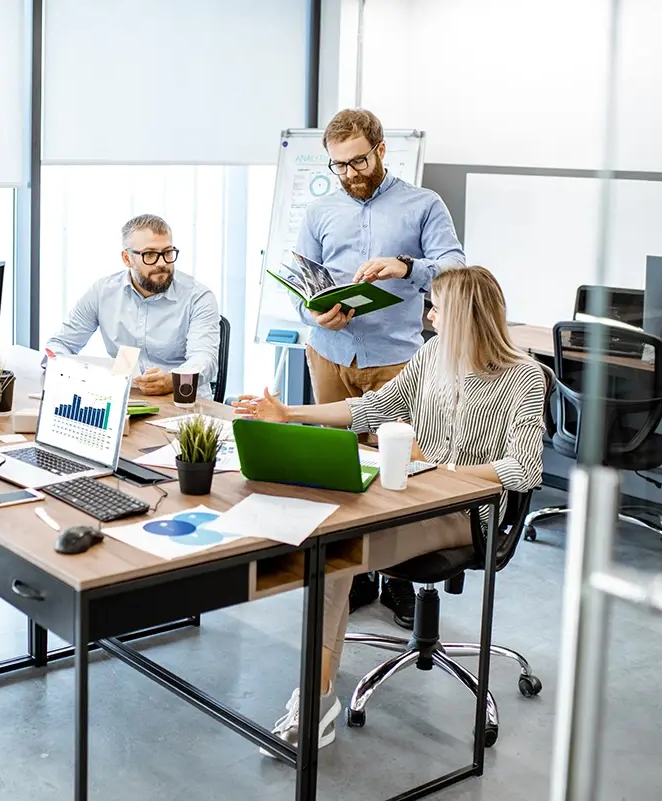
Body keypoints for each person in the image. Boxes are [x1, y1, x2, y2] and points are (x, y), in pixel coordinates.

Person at [234, 266, 546, 752]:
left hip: (466, 513)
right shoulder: (432, 354)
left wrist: (440, 463)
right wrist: (290, 413)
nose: (428, 315)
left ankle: (314, 701)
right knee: (330, 545)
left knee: (336, 552)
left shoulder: (523, 377)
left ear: (461, 316)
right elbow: (372, 408)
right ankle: (317, 699)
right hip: (409, 496)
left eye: (436, 307)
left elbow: (524, 469)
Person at [295, 108, 467, 627]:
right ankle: (352, 574)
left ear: (381, 149)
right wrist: (314, 309)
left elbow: (458, 269)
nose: (349, 174)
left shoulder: (422, 205)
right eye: (339, 165)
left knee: (396, 470)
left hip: (396, 358)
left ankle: (397, 577)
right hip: (330, 351)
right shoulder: (320, 211)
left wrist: (406, 266)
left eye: (358, 161)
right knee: (334, 465)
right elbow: (302, 282)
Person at [45, 214, 221, 398]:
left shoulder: (199, 297)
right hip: (126, 400)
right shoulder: (102, 291)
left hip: (182, 403)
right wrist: (65, 370)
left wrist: (172, 380)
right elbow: (61, 344)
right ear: (127, 259)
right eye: (150, 254)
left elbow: (204, 359)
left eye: (168, 252)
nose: (162, 263)